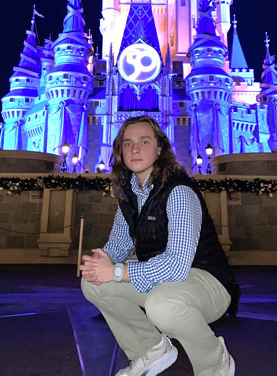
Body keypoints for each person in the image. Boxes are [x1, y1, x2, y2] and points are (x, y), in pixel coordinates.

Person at [80, 115, 239, 376]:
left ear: (160, 148)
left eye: (144, 141)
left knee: (162, 305)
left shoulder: (178, 190)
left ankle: (215, 364)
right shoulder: (129, 193)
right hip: (162, 280)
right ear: (119, 151)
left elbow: (176, 265)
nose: (135, 149)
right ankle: (150, 350)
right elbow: (118, 244)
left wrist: (117, 272)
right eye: (127, 143)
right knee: (95, 284)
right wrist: (99, 264)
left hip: (207, 281)